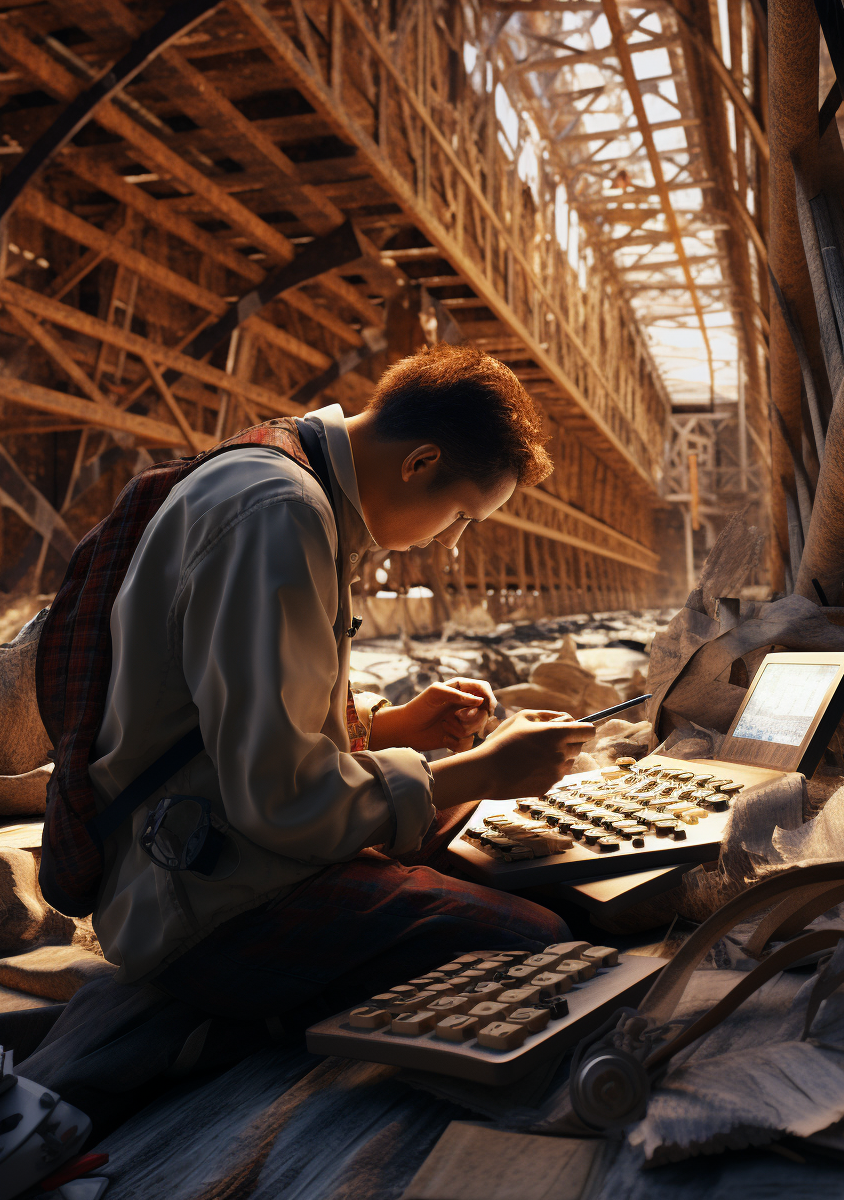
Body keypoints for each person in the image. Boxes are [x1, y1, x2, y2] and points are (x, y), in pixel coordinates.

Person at [88, 343, 594, 1020]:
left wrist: (396, 726)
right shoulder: (279, 514)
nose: (450, 542)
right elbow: (280, 797)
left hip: (219, 837)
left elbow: (234, 710)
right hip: (206, 901)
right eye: (462, 518)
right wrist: (484, 771)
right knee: (541, 943)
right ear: (421, 464)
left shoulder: (288, 470)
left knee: (493, 846)